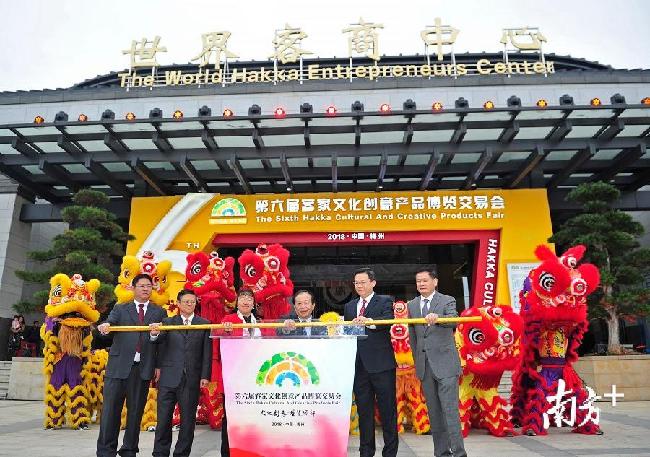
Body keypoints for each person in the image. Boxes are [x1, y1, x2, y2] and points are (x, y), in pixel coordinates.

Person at [96, 273, 166, 457]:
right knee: (110, 411)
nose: (146, 289)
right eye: (142, 286)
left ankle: (129, 450)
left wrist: (154, 338)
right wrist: (105, 326)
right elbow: (110, 323)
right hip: (118, 367)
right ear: (133, 288)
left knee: (135, 413)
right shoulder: (120, 308)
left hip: (142, 369)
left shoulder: (159, 312)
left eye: (149, 286)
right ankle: (105, 450)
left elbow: (163, 341)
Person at [407, 267, 466, 457]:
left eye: (425, 280)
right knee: (434, 413)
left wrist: (438, 319)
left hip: (446, 365)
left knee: (450, 411)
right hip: (425, 367)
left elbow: (454, 321)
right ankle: (441, 453)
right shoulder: (412, 305)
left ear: (435, 282)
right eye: (418, 281)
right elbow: (413, 337)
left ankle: (459, 453)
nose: (421, 284)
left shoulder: (447, 300)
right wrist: (417, 362)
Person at [150, 289, 211, 457]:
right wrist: (154, 334)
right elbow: (159, 344)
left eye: (193, 302)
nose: (190, 304)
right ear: (178, 303)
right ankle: (160, 453)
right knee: (163, 419)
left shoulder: (204, 323)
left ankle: (182, 453)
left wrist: (205, 375)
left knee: (188, 421)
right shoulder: (168, 322)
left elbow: (206, 352)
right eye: (186, 302)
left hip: (191, 378)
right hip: (168, 378)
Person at [344, 267, 398, 457]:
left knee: (388, 411)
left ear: (373, 283)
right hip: (359, 367)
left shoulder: (384, 301)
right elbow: (348, 333)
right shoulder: (349, 306)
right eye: (356, 283)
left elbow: (388, 320)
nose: (359, 286)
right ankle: (366, 452)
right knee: (364, 412)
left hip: (382, 365)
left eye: (363, 282)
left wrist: (369, 321)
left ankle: (390, 452)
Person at [218, 288, 261, 456]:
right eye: (242, 297)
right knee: (231, 418)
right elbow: (218, 340)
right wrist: (225, 330)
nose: (246, 301)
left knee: (253, 418)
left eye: (249, 298)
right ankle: (227, 453)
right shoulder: (228, 320)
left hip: (255, 379)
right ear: (236, 302)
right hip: (233, 378)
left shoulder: (260, 322)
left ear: (254, 303)